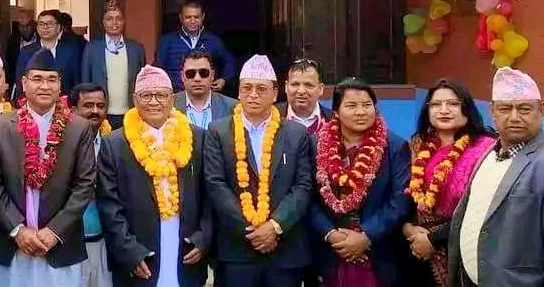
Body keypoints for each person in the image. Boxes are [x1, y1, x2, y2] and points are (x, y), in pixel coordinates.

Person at [447, 67, 544, 287]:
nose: (514, 117)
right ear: (492, 111)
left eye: (524, 109)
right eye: (505, 108)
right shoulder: (488, 153)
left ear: (541, 110)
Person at [0, 49, 96, 287]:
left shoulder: (79, 128)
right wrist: (18, 230)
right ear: (24, 84)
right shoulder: (1, 126)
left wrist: (54, 231)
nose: (45, 86)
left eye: (51, 80)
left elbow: (84, 185)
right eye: (37, 79)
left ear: (60, 85)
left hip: (60, 246)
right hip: (13, 246)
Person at [203, 55, 314, 287]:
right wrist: (252, 230)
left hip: (284, 250)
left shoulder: (295, 133)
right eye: (247, 88)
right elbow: (215, 184)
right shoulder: (218, 131)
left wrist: (274, 226)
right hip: (236, 251)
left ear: (275, 93)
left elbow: (303, 186)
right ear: (239, 92)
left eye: (261, 89)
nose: (253, 94)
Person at [98, 65, 212, 287]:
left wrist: (203, 238)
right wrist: (129, 251)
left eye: (161, 95)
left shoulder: (197, 138)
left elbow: (210, 194)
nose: (153, 102)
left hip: (186, 249)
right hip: (140, 255)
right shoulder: (114, 144)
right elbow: (109, 205)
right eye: (146, 95)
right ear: (134, 99)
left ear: (172, 99)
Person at [309, 78, 410, 287]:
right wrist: (330, 234)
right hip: (329, 253)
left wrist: (366, 235)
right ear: (336, 112)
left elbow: (400, 199)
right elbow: (307, 197)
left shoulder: (394, 146)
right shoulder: (316, 145)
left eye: (367, 105)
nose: (361, 112)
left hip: (377, 253)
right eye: (351, 106)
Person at [400, 80, 496, 286]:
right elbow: (404, 193)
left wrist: (434, 239)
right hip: (416, 244)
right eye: (436, 104)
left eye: (452, 104)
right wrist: (407, 227)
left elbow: (483, 207)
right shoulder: (417, 144)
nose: (443, 110)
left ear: (466, 108)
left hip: (463, 245)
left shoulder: (486, 148)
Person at [81, 0, 147, 131]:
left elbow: (143, 83)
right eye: (109, 19)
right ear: (103, 22)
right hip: (101, 113)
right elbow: (85, 82)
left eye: (118, 18)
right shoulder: (92, 49)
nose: (114, 23)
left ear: (124, 21)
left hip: (130, 113)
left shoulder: (136, 49)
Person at [70, 83, 113, 287]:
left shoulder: (114, 144)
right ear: (73, 110)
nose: (95, 111)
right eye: (88, 105)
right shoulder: (59, 144)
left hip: (105, 242)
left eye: (100, 106)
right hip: (71, 244)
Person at [155, 0, 235, 92]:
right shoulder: (167, 40)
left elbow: (230, 62)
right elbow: (158, 69)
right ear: (181, 18)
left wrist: (223, 80)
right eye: (188, 17)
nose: (192, 21)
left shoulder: (214, 40)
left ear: (203, 17)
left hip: (206, 94)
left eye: (196, 17)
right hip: (176, 94)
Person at [14, 10, 83, 100]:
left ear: (58, 27)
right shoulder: (26, 52)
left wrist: (74, 103)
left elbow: (77, 81)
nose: (45, 27)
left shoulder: (71, 51)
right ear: (37, 27)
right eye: (41, 24)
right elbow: (20, 81)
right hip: (34, 103)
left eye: (49, 24)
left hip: (65, 103)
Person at [174, 51, 237, 131]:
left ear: (212, 75)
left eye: (203, 73)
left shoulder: (232, 107)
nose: (197, 79)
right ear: (182, 77)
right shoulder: (169, 105)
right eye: (190, 73)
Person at [275, 59, 332, 136]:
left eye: (309, 85)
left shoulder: (333, 120)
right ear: (286, 87)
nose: (301, 91)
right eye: (295, 84)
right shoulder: (271, 116)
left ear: (320, 89)